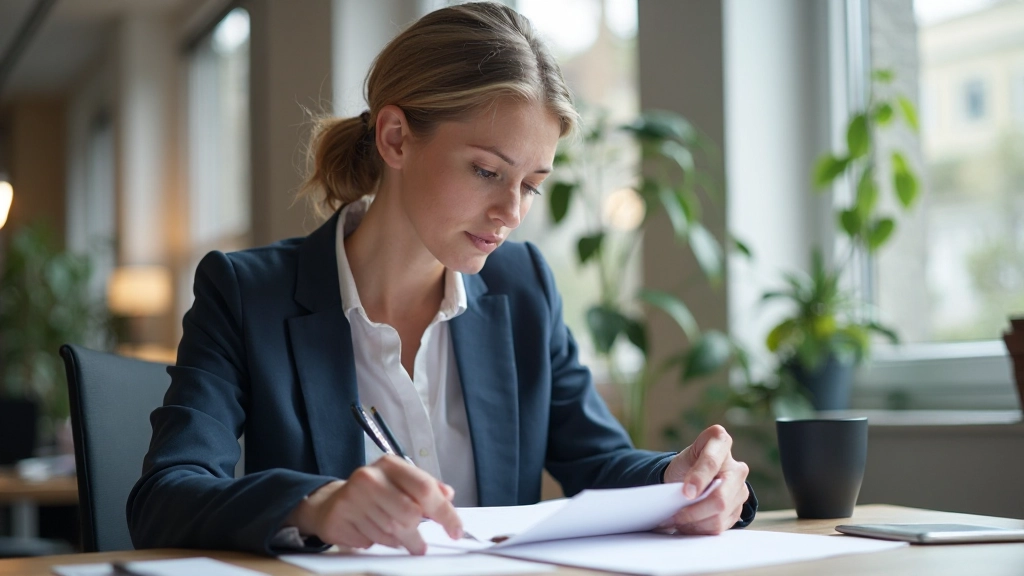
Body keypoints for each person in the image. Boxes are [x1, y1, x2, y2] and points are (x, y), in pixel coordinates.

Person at [127, 2, 756, 557]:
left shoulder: (524, 288)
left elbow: (597, 459)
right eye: (487, 171)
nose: (511, 212)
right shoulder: (245, 294)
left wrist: (682, 482)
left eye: (531, 185)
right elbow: (166, 496)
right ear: (396, 138)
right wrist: (314, 506)